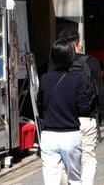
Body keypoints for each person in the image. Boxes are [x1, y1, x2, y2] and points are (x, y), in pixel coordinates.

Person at [59, 29, 104, 185]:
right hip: (86, 118)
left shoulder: (55, 63)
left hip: (62, 120)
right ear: (78, 44)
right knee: (87, 158)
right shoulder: (90, 62)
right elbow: (100, 92)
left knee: (63, 160)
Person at [37, 38, 89, 185]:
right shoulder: (77, 79)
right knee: (74, 179)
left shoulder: (44, 79)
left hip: (49, 135)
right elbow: (84, 107)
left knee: (51, 180)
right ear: (70, 57)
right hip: (70, 135)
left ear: (53, 57)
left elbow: (41, 105)